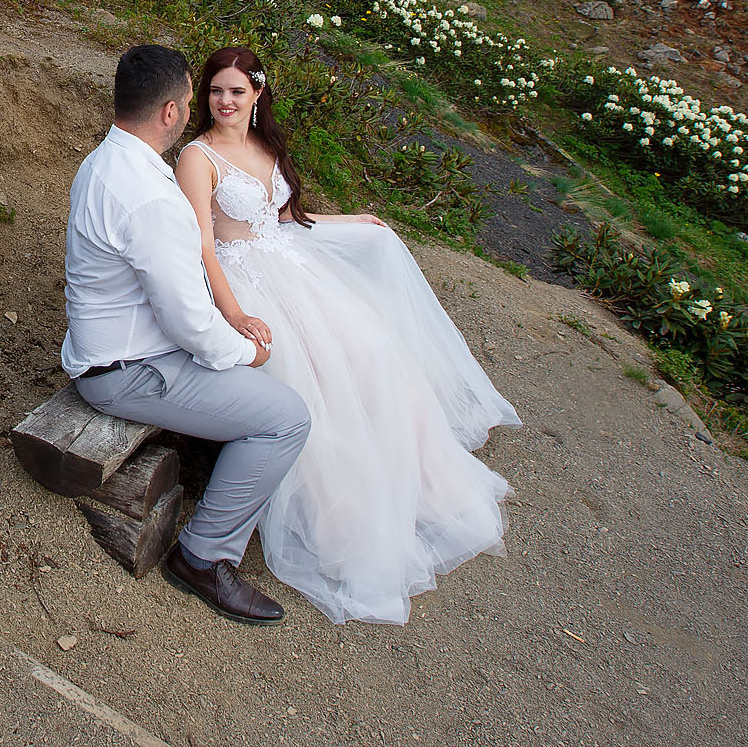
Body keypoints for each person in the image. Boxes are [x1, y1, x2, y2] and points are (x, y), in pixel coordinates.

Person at [174, 45, 519, 624]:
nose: (225, 101)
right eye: (215, 91)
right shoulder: (198, 157)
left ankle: (415, 481)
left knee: (371, 354)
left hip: (293, 267)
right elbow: (202, 245)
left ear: (257, 95)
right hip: (243, 280)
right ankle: (341, 520)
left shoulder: (266, 145)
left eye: (236, 91)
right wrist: (234, 315)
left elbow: (282, 222)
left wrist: (349, 221)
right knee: (309, 383)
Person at [63, 44, 312, 626]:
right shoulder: (151, 196)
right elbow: (190, 324)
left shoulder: (106, 160)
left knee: (267, 391)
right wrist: (246, 350)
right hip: (127, 372)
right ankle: (203, 556)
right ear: (172, 113)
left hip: (117, 349)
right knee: (287, 418)